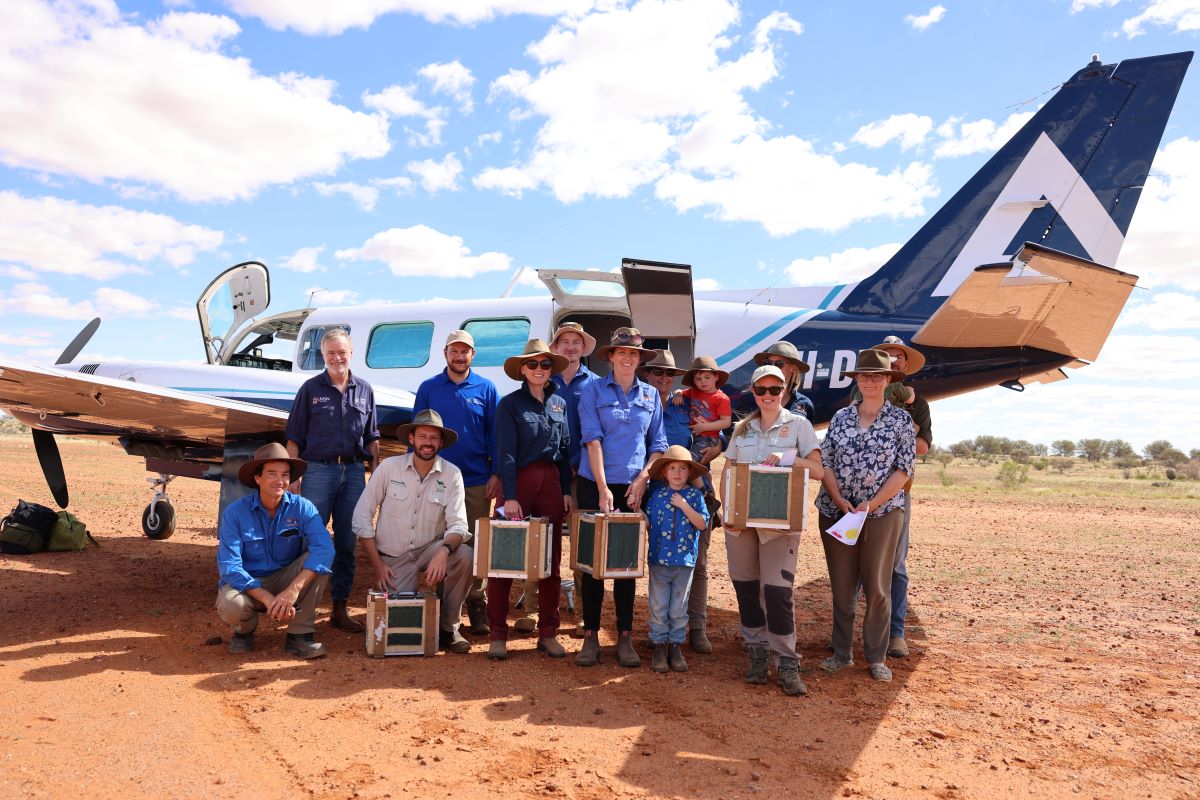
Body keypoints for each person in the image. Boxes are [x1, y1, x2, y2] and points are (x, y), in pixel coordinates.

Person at [722, 365, 823, 696]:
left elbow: (818, 470)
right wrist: (727, 511)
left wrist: (789, 458)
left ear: (784, 392)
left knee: (778, 593)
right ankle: (757, 654)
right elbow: (729, 470)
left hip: (779, 526)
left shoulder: (799, 426)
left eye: (774, 390)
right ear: (753, 392)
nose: (767, 395)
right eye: (761, 390)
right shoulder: (742, 430)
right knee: (747, 590)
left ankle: (787, 663)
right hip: (742, 525)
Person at [816, 349, 916, 683]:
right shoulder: (841, 418)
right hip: (837, 512)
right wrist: (838, 497)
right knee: (843, 588)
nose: (870, 381)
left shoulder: (901, 421)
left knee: (877, 588)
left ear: (888, 380)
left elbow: (903, 470)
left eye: (877, 376)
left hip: (882, 514)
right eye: (864, 376)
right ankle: (841, 653)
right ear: (857, 380)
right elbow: (825, 462)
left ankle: (876, 657)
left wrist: (870, 505)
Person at [575, 327, 668, 668]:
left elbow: (658, 444)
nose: (628, 358)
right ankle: (590, 637)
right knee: (593, 565)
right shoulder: (592, 391)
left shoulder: (650, 396)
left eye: (634, 354)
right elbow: (592, 440)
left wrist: (644, 477)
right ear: (611, 357)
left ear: (640, 359)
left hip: (633, 488)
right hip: (594, 484)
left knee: (626, 565)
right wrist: (601, 489)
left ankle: (625, 637)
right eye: (622, 352)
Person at [351, 410, 474, 654]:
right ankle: (417, 610)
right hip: (394, 557)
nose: (428, 442)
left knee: (465, 556)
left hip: (431, 549)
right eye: (423, 436)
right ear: (411, 439)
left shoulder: (452, 474)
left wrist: (443, 552)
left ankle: (449, 628)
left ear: (440, 443)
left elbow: (459, 525)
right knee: (400, 625)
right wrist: (377, 565)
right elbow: (361, 517)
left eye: (434, 438)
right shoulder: (388, 468)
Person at [285, 328, 380, 635]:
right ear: (323, 356)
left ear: (351, 354)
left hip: (352, 473)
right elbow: (294, 436)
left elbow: (372, 436)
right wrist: (294, 476)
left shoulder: (364, 390)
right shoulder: (311, 389)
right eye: (331, 353)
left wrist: (375, 469)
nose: (337, 358)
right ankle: (299, 609)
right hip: (317, 471)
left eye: (342, 352)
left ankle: (339, 607)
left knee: (346, 543)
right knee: (309, 539)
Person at [487, 339, 574, 660]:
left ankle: (548, 632)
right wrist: (509, 496)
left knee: (550, 560)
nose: (539, 370)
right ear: (522, 369)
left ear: (551, 369)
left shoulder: (559, 404)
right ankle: (498, 634)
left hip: (550, 481)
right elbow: (505, 453)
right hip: (518, 482)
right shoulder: (509, 405)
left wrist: (565, 488)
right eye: (533, 364)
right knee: (504, 558)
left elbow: (565, 450)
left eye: (545, 364)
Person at [413, 330, 499, 637]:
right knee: (438, 538)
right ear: (446, 354)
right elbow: (419, 433)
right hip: (437, 477)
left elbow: (494, 435)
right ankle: (441, 606)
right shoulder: (429, 388)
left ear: (472, 355)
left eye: (465, 351)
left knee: (474, 544)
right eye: (454, 351)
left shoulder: (487, 389)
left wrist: (496, 472)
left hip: (476, 479)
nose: (459, 356)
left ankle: (476, 601)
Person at [216, 443, 334, 659]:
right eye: (272, 474)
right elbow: (229, 567)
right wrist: (268, 599)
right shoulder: (235, 513)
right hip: (249, 583)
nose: (280, 481)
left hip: (284, 578)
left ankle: (299, 635)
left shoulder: (303, 507)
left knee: (319, 562)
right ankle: (243, 632)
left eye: (285, 475)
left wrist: (292, 590)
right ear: (258, 478)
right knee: (232, 605)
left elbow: (324, 548)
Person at [643, 350, 716, 654]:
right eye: (657, 372)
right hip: (650, 490)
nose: (662, 378)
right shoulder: (641, 402)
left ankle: (694, 627)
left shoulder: (685, 404)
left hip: (688, 486)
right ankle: (656, 632)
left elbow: (713, 431)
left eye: (668, 374)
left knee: (695, 561)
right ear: (647, 374)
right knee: (654, 557)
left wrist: (697, 471)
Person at [869, 335, 932, 659]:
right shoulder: (862, 393)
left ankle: (896, 633)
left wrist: (900, 432)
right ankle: (848, 636)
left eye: (898, 356)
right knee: (853, 567)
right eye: (887, 355)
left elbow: (922, 447)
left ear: (906, 365)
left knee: (895, 566)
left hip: (896, 495)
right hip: (859, 496)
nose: (893, 360)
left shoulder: (918, 403)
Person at [643, 445, 709, 673]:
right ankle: (659, 645)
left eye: (683, 468)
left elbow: (702, 523)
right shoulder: (657, 496)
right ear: (664, 473)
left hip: (684, 561)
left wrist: (683, 505)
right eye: (672, 468)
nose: (678, 472)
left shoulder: (695, 495)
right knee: (659, 604)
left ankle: (675, 645)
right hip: (659, 560)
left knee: (679, 606)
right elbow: (650, 524)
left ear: (689, 472)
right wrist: (638, 513)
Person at [731, 341, 816, 424]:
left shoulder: (803, 404)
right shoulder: (749, 400)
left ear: (793, 368)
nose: (772, 367)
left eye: (779, 363)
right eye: (768, 363)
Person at [674, 356, 732, 464]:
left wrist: (704, 427)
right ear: (693, 381)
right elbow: (679, 390)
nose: (703, 382)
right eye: (698, 379)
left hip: (709, 438)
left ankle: (703, 478)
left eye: (707, 377)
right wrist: (678, 394)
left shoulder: (722, 398)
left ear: (716, 377)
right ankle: (706, 478)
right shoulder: (694, 391)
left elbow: (726, 422)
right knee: (697, 465)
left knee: (690, 462)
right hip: (693, 436)